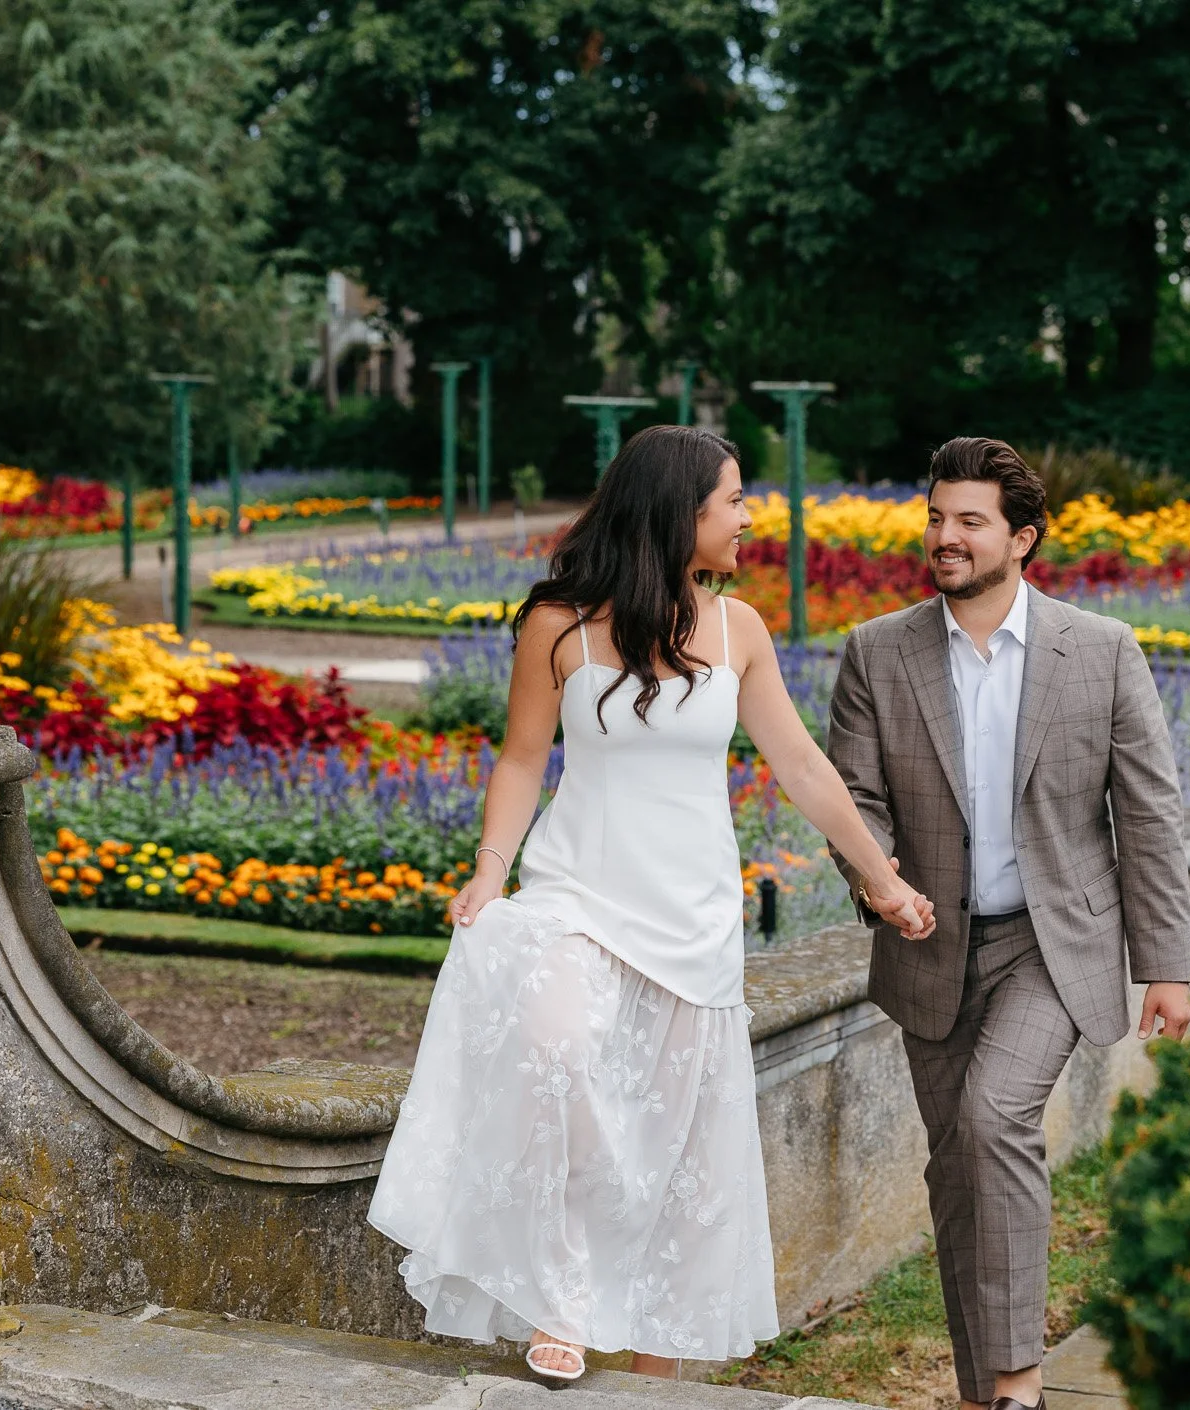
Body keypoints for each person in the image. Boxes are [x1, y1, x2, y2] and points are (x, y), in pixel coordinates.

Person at [369, 424, 935, 1382]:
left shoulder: (738, 628)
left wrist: (882, 880)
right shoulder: (557, 623)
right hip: (573, 893)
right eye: (734, 500)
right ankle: (563, 1297)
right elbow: (519, 759)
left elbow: (800, 764)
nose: (751, 518)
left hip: (694, 917)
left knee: (673, 1141)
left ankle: (653, 1357)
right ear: (681, 513)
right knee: (556, 1057)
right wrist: (488, 869)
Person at [823, 437, 1190, 1410]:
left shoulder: (1100, 651)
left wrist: (1167, 966)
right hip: (927, 947)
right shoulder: (876, 652)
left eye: (967, 522)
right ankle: (979, 1390)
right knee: (956, 1169)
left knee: (994, 1120)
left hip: (1050, 943)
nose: (943, 538)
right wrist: (877, 883)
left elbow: (1146, 816)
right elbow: (851, 799)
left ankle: (1021, 1386)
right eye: (934, 519)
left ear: (1020, 539)